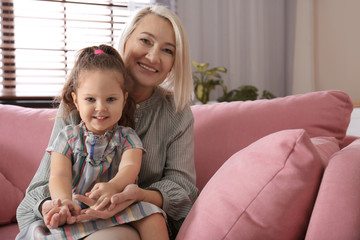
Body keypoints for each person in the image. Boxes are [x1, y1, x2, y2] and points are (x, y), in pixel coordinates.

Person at [16, 5, 198, 240]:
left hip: (133, 218)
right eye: (145, 41)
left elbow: (182, 187)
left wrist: (137, 195)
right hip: (77, 210)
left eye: (167, 50)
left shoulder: (175, 113)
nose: (153, 56)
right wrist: (59, 206)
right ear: (126, 40)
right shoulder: (78, 105)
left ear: (175, 62)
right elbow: (45, 182)